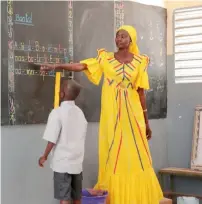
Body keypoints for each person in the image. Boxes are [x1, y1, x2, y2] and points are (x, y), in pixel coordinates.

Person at [40, 25, 163, 204]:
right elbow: (82, 65)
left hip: (133, 114)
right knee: (114, 153)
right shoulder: (105, 58)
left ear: (131, 40)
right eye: (117, 36)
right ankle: (117, 196)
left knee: (137, 153)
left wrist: (146, 122)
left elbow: (141, 92)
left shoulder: (140, 61)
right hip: (112, 114)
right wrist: (56, 65)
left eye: (123, 36)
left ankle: (136, 197)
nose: (119, 39)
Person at [38, 79, 87, 204]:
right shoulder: (80, 113)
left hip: (62, 164)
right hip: (77, 163)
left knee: (64, 198)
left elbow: (52, 140)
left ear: (62, 94)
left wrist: (44, 156)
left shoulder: (57, 113)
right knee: (77, 198)